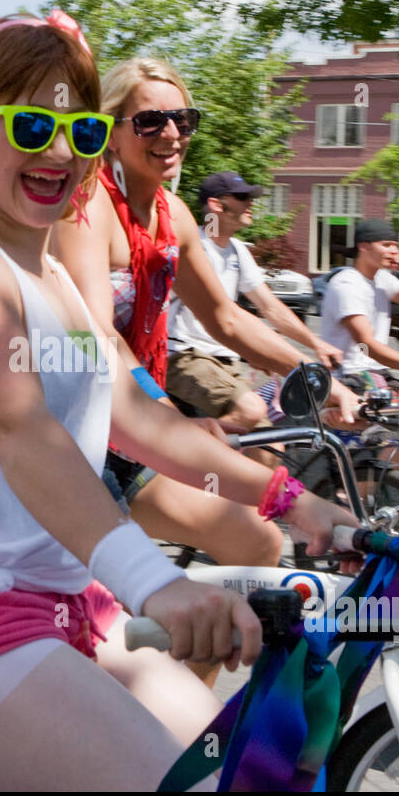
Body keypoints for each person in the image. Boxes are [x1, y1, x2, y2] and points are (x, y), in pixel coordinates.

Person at [0, 11, 357, 791]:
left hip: (61, 609)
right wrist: (154, 581)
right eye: (32, 125)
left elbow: (139, 420)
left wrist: (287, 499)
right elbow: (22, 433)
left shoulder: (52, 278)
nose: (58, 153)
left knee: (251, 778)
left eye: (80, 133)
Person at [52, 57, 359, 581]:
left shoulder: (175, 216)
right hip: (66, 436)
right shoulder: (89, 203)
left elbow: (226, 318)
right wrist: (171, 421)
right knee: (110, 604)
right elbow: (97, 338)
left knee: (256, 541)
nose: (171, 133)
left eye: (183, 120)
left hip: (130, 433)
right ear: (110, 130)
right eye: (150, 121)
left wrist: (310, 375)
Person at [165, 170, 341, 429]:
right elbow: (227, 318)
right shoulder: (193, 248)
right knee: (249, 410)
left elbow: (271, 307)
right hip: (185, 355)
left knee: (268, 445)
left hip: (225, 361)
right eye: (241, 197)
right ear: (216, 205)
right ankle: (179, 448)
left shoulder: (237, 250)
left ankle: (206, 458)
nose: (251, 203)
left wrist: (316, 344)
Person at [319, 219, 399, 387]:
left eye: (396, 245)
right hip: (350, 375)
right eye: (386, 245)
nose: (394, 251)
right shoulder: (347, 284)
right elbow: (364, 345)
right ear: (364, 247)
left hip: (376, 372)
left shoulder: (382, 279)